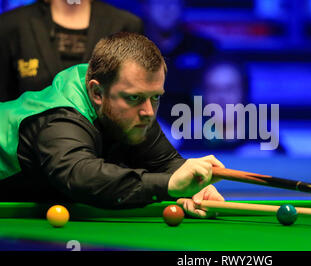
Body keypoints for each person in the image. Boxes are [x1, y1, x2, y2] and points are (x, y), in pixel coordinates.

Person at [0, 32, 225, 218]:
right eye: (134, 98)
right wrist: (169, 184)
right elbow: (82, 176)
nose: (148, 111)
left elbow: (166, 163)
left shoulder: (129, 107)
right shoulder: (59, 120)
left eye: (155, 97)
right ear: (97, 92)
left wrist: (196, 185)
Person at [0, 0, 144, 101]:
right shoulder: (9, 26)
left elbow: (135, 99)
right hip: (28, 141)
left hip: (103, 142)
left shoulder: (125, 26)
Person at [141, 0, 218, 123]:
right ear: (145, 6)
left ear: (183, 5)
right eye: (158, 1)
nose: (166, 7)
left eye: (173, 1)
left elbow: (217, 99)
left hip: (196, 130)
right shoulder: (128, 48)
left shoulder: (204, 48)